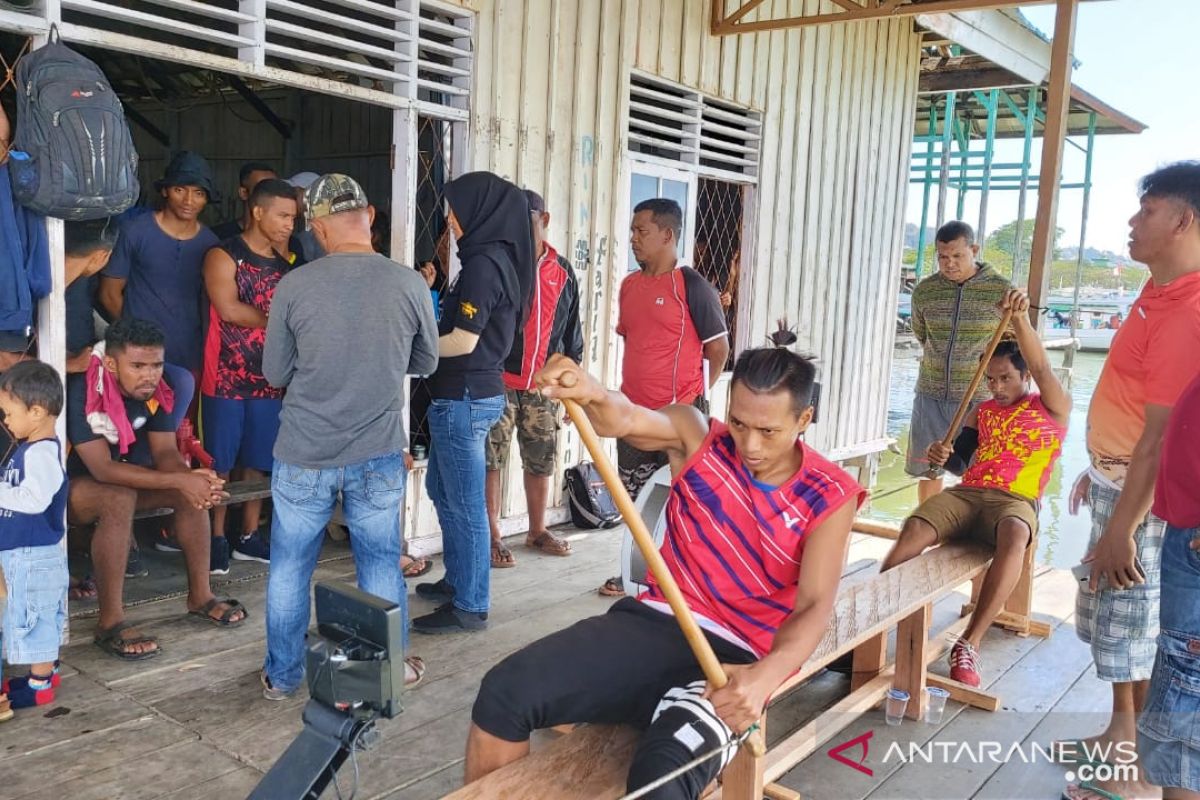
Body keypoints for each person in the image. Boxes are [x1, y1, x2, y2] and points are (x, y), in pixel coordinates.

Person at [465, 332, 865, 798]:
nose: (750, 444)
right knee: (504, 694)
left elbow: (815, 604)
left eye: (768, 431)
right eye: (738, 423)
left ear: (805, 419)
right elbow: (626, 419)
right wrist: (591, 392)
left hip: (734, 661)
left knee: (663, 782)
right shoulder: (696, 436)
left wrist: (765, 679)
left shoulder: (828, 494)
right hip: (651, 625)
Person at [261, 173, 438, 699]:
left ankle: (284, 677)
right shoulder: (409, 283)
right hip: (378, 450)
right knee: (380, 563)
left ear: (315, 226)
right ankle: (391, 671)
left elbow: (274, 373)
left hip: (303, 451)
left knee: (290, 567)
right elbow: (425, 361)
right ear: (370, 217)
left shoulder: (294, 285)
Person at [1059, 162, 1200, 800]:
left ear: (1183, 220)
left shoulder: (1188, 311)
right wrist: (1098, 472)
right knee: (1116, 622)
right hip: (1116, 481)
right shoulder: (1158, 291)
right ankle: (1125, 739)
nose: (1132, 222)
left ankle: (1137, 774)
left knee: (1141, 631)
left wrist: (1123, 527)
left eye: (1146, 211)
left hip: (1145, 504)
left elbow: (1159, 439)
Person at [880, 288, 1070, 687]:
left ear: (1025, 377)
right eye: (991, 379)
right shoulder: (980, 412)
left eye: (1006, 378)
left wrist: (1019, 318)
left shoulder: (1051, 407)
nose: (997, 387)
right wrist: (941, 453)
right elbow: (960, 462)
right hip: (968, 495)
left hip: (1015, 501)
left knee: (1016, 534)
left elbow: (1042, 363)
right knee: (914, 528)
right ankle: (875, 618)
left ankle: (969, 643)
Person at [67, 318, 246, 661]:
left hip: (119, 481)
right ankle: (110, 622)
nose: (150, 375)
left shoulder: (160, 388)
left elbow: (165, 452)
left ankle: (201, 596)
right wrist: (180, 478)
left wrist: (192, 479)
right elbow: (101, 469)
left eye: (156, 364)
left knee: (189, 491)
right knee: (118, 497)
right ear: (110, 364)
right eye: (137, 366)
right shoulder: (84, 388)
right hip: (66, 491)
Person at [412, 172, 532, 634]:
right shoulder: (490, 258)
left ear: (481, 210)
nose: (450, 219)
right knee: (443, 492)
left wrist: (412, 350)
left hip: (463, 395)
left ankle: (471, 604)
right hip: (464, 394)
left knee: (464, 504)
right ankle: (458, 581)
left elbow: (464, 340)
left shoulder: (485, 263)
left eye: (456, 209)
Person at [598, 197, 729, 598]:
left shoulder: (692, 286)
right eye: (633, 231)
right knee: (637, 501)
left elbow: (719, 348)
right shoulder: (629, 286)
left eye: (643, 231)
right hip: (633, 414)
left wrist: (695, 400)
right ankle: (636, 573)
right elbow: (637, 344)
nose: (634, 239)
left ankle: (685, 578)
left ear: (668, 235)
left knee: (684, 500)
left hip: (679, 416)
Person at [201, 178, 297, 570]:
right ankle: (216, 537)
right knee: (219, 462)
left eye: (294, 217)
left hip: (269, 378)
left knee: (260, 459)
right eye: (283, 215)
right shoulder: (223, 255)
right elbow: (228, 309)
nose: (290, 224)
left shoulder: (287, 265)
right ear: (258, 211)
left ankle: (248, 535)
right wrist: (277, 323)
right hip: (223, 374)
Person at [484, 189, 583, 567]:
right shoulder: (501, 264)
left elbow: (572, 332)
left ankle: (537, 530)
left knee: (541, 458)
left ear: (545, 220)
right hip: (499, 381)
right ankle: (493, 536)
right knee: (491, 458)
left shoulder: (562, 271)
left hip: (542, 386)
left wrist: (572, 388)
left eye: (528, 220)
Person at [906, 221, 1010, 503]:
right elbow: (922, 334)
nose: (949, 264)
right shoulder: (925, 291)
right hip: (930, 393)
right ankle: (929, 531)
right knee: (929, 470)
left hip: (978, 400)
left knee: (978, 471)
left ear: (973, 250)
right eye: (942, 257)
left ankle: (969, 534)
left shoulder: (1001, 291)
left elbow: (1010, 345)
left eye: (957, 256)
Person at [98, 151, 219, 380]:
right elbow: (108, 294)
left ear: (206, 199)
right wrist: (135, 337)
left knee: (183, 416)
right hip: (138, 359)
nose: (189, 201)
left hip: (190, 356)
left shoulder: (211, 244)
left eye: (199, 193)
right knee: (137, 416)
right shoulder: (135, 231)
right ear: (165, 190)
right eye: (180, 190)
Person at [0, 361, 68, 714]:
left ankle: (39, 686)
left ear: (37, 411)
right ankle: (45, 674)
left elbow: (34, 499)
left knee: (36, 619)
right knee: (32, 614)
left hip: (34, 555)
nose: (5, 421)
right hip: (22, 554)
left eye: (9, 413)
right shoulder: (29, 449)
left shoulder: (41, 453)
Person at [211, 162, 278, 241]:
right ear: (243, 193)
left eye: (274, 188)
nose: (270, 194)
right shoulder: (216, 237)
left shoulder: (285, 241)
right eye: (262, 189)